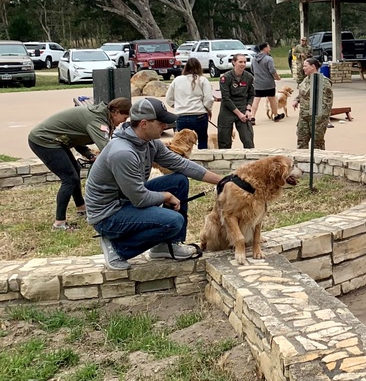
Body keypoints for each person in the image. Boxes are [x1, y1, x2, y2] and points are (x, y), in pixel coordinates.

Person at [85, 98, 224, 270]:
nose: (166, 126)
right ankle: (118, 248)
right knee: (174, 221)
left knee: (178, 181)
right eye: (161, 122)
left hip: (126, 199)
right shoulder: (123, 153)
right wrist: (165, 196)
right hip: (108, 214)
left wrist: (224, 181)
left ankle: (167, 245)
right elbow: (140, 199)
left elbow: (181, 164)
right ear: (144, 123)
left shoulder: (149, 142)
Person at [28, 97, 131, 230]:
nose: (123, 122)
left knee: (74, 171)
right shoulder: (97, 120)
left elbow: (75, 134)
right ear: (116, 112)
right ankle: (59, 223)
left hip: (57, 140)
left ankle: (81, 208)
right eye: (124, 118)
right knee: (69, 179)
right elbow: (108, 150)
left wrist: (88, 154)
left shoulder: (101, 116)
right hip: (44, 140)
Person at [165, 58, 214, 149]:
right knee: (202, 139)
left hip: (182, 115)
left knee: (181, 142)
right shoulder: (203, 80)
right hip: (199, 115)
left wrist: (178, 105)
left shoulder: (177, 80)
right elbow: (209, 99)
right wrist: (207, 108)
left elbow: (168, 98)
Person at [293, 57, 335, 149]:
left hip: (316, 118)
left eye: (305, 66)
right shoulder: (306, 79)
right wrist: (296, 99)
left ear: (313, 66)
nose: (303, 68)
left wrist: (321, 120)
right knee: (301, 141)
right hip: (304, 116)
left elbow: (327, 102)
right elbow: (302, 92)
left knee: (317, 143)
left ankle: (317, 162)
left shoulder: (322, 81)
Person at [217, 53, 255, 149]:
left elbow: (251, 95)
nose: (243, 64)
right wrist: (239, 114)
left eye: (245, 62)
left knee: (248, 139)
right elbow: (226, 98)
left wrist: (248, 109)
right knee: (224, 141)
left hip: (243, 108)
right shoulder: (225, 78)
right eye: (240, 62)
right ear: (234, 62)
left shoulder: (249, 77)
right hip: (227, 110)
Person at [250, 42, 283, 123]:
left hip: (258, 82)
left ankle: (252, 117)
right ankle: (275, 115)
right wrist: (277, 77)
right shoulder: (269, 59)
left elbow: (252, 69)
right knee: (272, 99)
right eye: (268, 47)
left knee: (256, 100)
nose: (270, 49)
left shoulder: (254, 59)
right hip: (268, 83)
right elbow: (272, 70)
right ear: (264, 48)